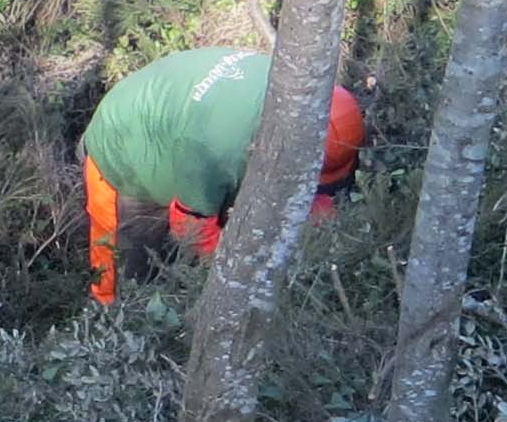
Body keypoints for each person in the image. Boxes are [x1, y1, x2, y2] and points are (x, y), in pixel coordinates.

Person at [77, 46, 366, 305]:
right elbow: (191, 229)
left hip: (184, 123)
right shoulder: (217, 149)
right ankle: (110, 324)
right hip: (126, 150)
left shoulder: (324, 104)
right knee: (126, 276)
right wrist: (240, 280)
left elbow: (324, 196)